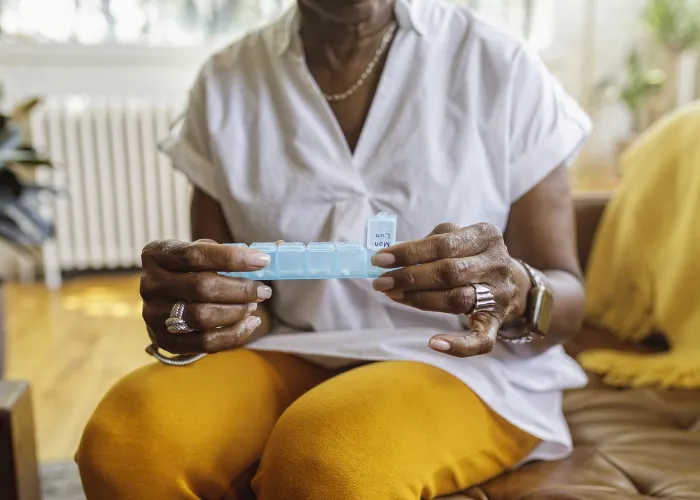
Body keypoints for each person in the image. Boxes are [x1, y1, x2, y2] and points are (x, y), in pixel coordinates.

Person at [76, 0, 592, 498]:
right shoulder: (227, 82)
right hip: (291, 350)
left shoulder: (497, 63)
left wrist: (517, 290)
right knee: (126, 443)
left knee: (328, 459)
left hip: (465, 366)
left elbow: (567, 296)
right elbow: (250, 309)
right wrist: (203, 309)